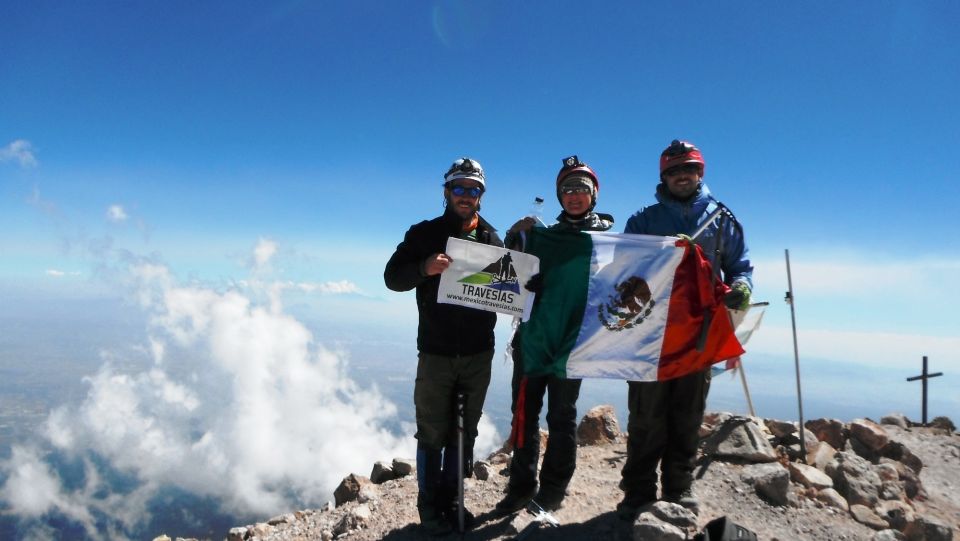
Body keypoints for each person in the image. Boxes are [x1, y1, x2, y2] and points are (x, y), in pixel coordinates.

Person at [618, 140, 753, 520]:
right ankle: (638, 489)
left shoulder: (722, 220)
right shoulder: (643, 220)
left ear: (700, 173)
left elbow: (740, 267)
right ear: (664, 177)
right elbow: (620, 267)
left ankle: (679, 486)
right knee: (646, 415)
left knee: (687, 414)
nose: (682, 176)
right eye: (674, 171)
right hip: (649, 335)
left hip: (699, 334)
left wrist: (742, 288)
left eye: (688, 170)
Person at [383, 157, 503, 535]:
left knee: (464, 431)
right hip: (435, 353)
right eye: (460, 188)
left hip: (478, 353)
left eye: (474, 189)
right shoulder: (423, 234)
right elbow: (392, 278)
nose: (466, 195)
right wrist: (423, 268)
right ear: (447, 192)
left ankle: (453, 503)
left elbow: (508, 290)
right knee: (432, 431)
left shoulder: (492, 239)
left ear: (481, 195)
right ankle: (429, 510)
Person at [495, 155, 615, 514]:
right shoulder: (541, 236)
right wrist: (513, 236)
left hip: (574, 344)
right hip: (533, 339)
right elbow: (507, 266)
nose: (574, 195)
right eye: (567, 189)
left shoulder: (609, 242)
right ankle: (520, 486)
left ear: (594, 195)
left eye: (582, 188)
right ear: (559, 196)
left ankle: (553, 490)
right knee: (524, 415)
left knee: (561, 418)